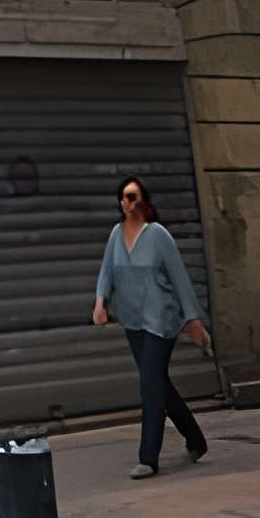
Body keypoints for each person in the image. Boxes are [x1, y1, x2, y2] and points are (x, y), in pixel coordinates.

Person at [93, 175, 210, 478]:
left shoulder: (158, 235)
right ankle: (196, 440)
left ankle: (148, 457)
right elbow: (106, 271)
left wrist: (193, 319)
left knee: (150, 384)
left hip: (161, 319)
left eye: (133, 196)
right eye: (123, 197)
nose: (127, 202)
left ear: (144, 200)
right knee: (158, 382)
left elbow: (179, 277)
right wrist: (100, 303)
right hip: (132, 320)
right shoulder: (116, 235)